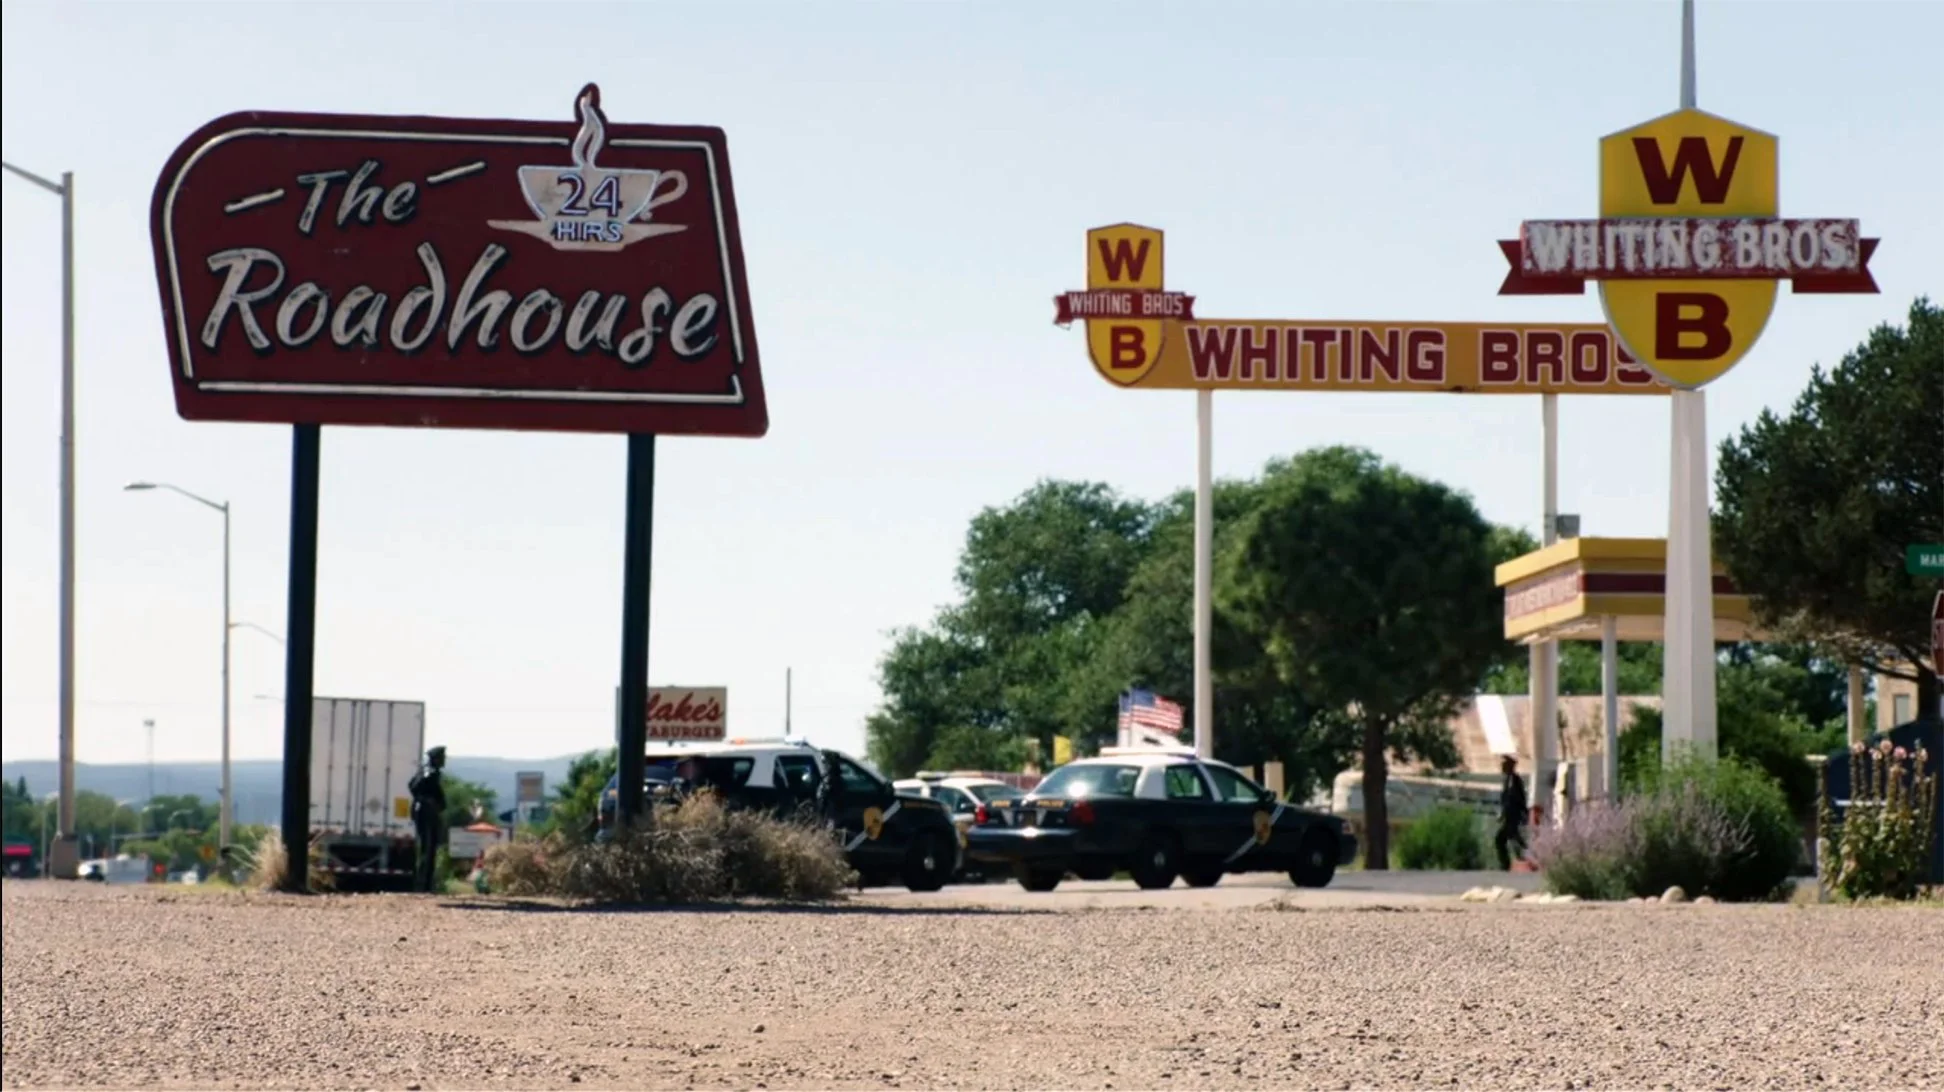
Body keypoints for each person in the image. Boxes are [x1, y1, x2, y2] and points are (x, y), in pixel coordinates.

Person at [407, 746, 447, 893]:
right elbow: (414, 787)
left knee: (428, 848)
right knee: (428, 848)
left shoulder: (424, 771)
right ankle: (424, 885)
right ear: (435, 759)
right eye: (442, 757)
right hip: (426, 812)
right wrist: (428, 800)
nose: (444, 760)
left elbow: (411, 785)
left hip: (424, 811)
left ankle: (424, 884)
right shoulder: (430, 773)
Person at [1495, 754, 1529, 871]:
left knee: (1502, 839)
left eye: (1504, 765)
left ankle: (1507, 865)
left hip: (1514, 817)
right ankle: (1521, 860)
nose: (1502, 767)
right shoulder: (1508, 780)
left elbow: (1519, 799)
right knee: (1514, 840)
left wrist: (1523, 814)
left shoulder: (1515, 780)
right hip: (1509, 817)